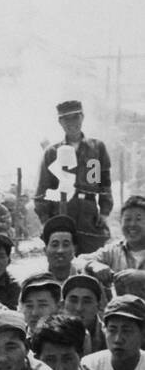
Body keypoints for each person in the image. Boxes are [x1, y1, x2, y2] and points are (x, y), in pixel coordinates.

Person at [33, 99, 113, 255]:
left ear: (82, 117)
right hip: (61, 212)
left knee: (92, 259)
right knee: (62, 259)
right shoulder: (52, 152)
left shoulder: (96, 149)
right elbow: (42, 190)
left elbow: (104, 183)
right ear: (60, 122)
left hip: (89, 214)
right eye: (66, 119)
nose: (71, 123)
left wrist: (104, 212)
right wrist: (45, 220)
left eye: (75, 117)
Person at [85, 194, 145, 275]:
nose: (132, 224)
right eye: (127, 219)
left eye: (138, 219)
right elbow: (77, 261)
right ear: (121, 222)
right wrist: (94, 265)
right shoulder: (112, 251)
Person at [61, 274, 107, 355]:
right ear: (62, 305)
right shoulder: (51, 336)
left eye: (87, 302)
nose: (79, 308)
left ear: (98, 306)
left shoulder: (108, 337)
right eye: (73, 301)